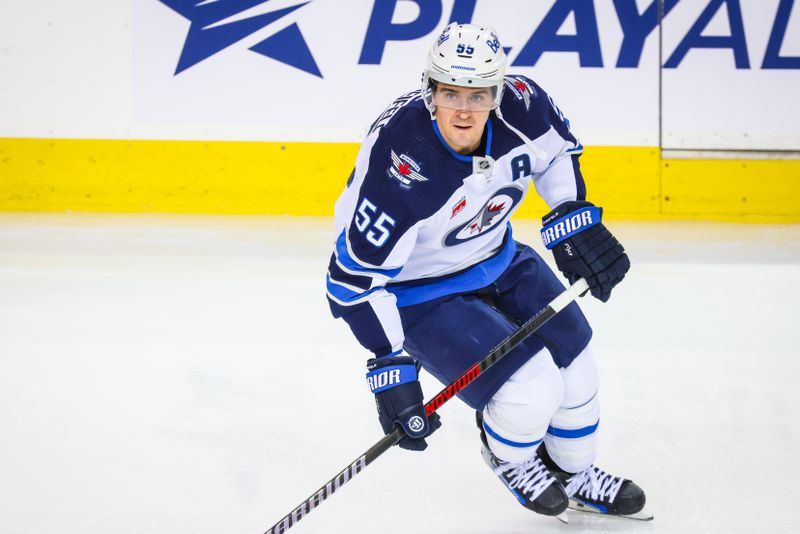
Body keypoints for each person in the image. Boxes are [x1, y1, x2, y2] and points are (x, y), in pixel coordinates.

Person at [325, 23, 650, 522]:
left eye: (477, 95)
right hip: (420, 293)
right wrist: (388, 365)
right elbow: (350, 282)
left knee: (578, 369)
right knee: (531, 388)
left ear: (497, 93)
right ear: (428, 92)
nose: (463, 108)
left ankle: (576, 472)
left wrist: (570, 215)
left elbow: (558, 152)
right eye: (449, 92)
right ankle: (510, 457)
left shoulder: (525, 103)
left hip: (500, 257)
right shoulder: (402, 163)